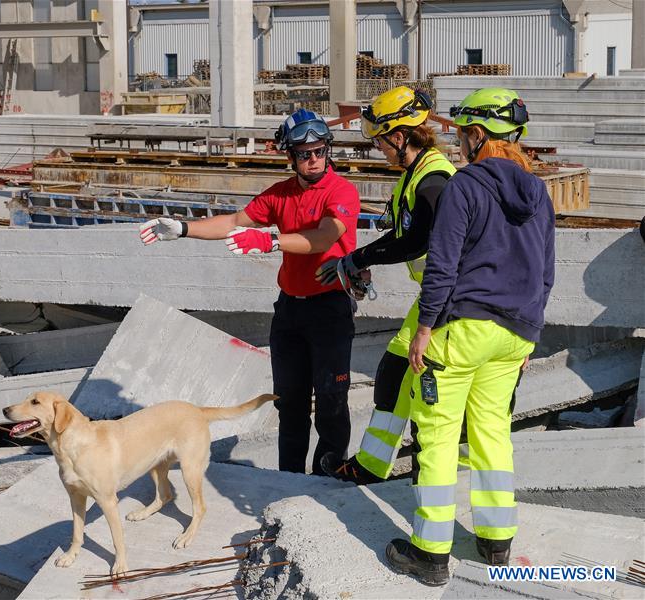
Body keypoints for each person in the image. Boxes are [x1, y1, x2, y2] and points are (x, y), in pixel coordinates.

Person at [385, 88, 555, 586]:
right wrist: (530, 337)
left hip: (462, 331)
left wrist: (424, 328)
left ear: (478, 135)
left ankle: (431, 554)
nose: (459, 145)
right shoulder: (538, 193)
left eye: (462, 136)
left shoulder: (465, 186)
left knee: (436, 438)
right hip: (514, 336)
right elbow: (546, 274)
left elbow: (443, 265)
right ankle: (496, 542)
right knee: (492, 434)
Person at [138, 108, 361, 475]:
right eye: (305, 154)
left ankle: (328, 479)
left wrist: (272, 241)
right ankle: (290, 480)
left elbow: (325, 236)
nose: (314, 160)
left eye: (320, 151)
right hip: (290, 313)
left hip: (330, 311)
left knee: (332, 402)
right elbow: (233, 222)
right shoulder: (281, 195)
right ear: (291, 156)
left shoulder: (341, 191)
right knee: (289, 403)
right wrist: (182, 228)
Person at [314, 86, 456, 485]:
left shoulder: (434, 181)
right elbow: (402, 230)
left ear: (400, 136)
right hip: (434, 296)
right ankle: (371, 466)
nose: (379, 148)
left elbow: (417, 241)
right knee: (394, 373)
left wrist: (359, 258)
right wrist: (364, 256)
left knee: (429, 389)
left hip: (448, 301)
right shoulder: (418, 173)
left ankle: (434, 470)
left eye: (381, 141)